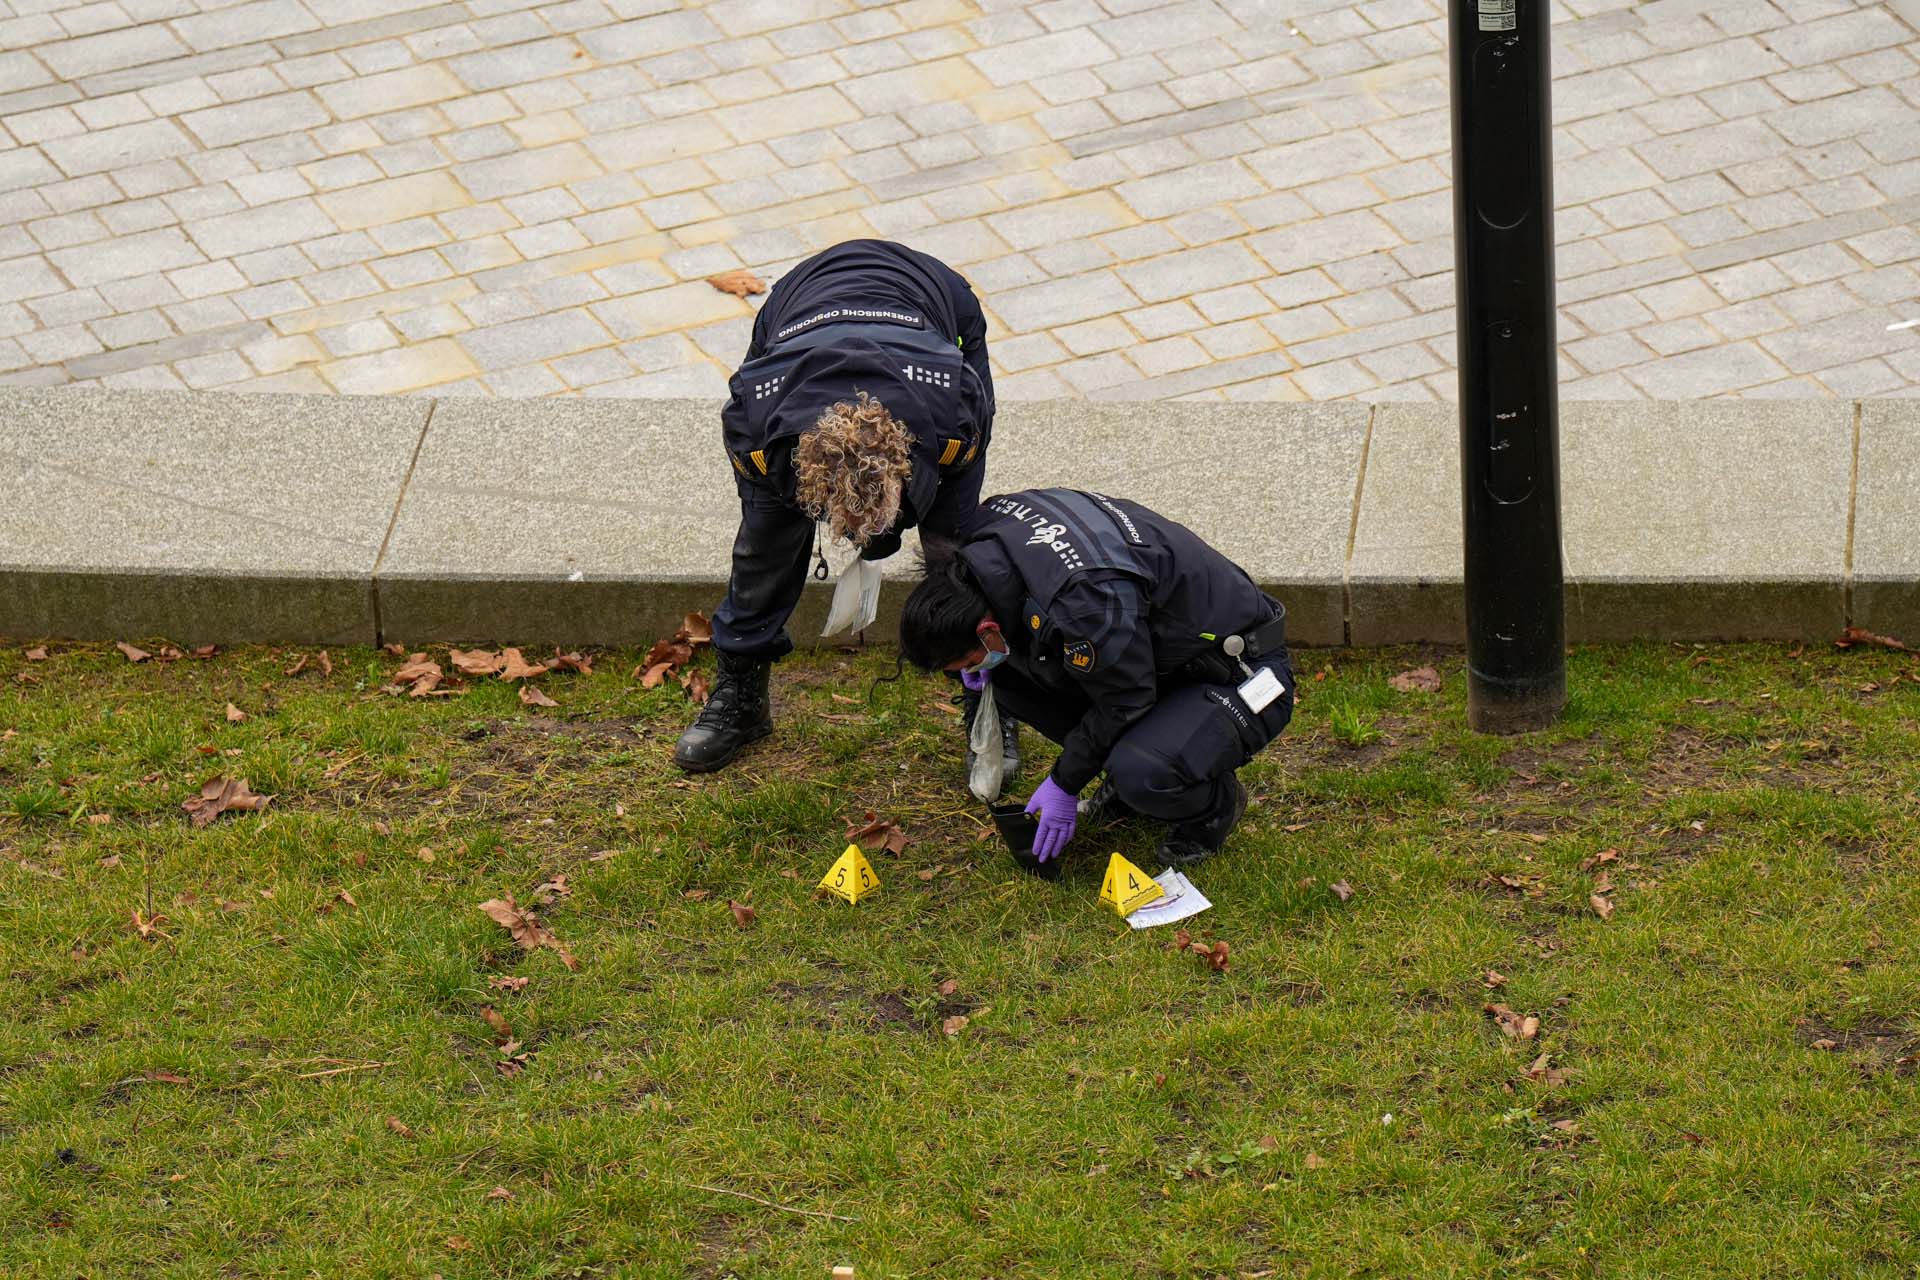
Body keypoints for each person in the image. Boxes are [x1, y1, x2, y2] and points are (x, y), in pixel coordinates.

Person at [674, 239, 1019, 775]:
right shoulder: (757, 431)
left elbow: (954, 525)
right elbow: (764, 536)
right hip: (797, 302)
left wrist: (932, 551)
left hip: (935, 293)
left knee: (959, 552)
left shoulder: (955, 418)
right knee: (764, 548)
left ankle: (987, 699)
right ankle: (741, 697)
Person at [898, 488, 1294, 868]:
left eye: (970, 661)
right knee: (1010, 682)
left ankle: (1213, 805)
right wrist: (985, 671)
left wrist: (1064, 783)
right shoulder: (983, 547)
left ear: (986, 629)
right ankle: (1135, 772)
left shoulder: (1083, 603)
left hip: (1239, 668)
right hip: (1159, 656)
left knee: (1142, 771)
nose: (970, 672)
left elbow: (1125, 699)